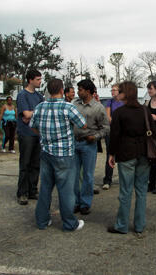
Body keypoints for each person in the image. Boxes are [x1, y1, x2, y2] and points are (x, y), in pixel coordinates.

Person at [30, 78, 87, 231]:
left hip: (46, 152)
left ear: (48, 90)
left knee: (45, 188)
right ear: (62, 90)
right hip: (64, 154)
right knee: (66, 191)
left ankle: (42, 221)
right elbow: (83, 124)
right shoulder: (68, 107)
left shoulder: (40, 107)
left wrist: (44, 135)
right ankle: (69, 223)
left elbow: (33, 126)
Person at [107, 81, 156, 234]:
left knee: (125, 191)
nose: (117, 94)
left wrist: (112, 154)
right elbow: (154, 133)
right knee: (142, 191)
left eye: (119, 92)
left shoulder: (119, 113)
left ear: (125, 94)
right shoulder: (145, 110)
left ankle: (122, 225)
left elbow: (114, 136)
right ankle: (140, 225)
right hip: (144, 154)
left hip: (126, 154)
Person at [73, 79, 109, 215]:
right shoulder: (74, 104)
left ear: (88, 91)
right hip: (74, 143)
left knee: (88, 175)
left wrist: (95, 137)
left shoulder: (98, 108)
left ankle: (85, 203)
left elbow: (106, 128)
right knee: (75, 175)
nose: (78, 92)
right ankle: (75, 202)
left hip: (89, 145)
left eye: (80, 89)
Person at [16, 70, 44, 205]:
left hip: (37, 134)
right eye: (38, 79)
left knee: (36, 164)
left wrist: (31, 114)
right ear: (30, 80)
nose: (40, 81)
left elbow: (42, 111)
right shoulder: (22, 95)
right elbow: (26, 114)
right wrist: (34, 113)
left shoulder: (39, 96)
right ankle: (22, 192)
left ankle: (33, 190)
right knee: (25, 164)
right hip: (26, 134)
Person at [102, 84, 124, 190]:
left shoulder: (125, 102)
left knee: (124, 156)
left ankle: (125, 180)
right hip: (111, 132)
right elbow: (108, 117)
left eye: (114, 90)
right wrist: (116, 126)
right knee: (110, 155)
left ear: (119, 91)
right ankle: (107, 180)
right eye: (112, 90)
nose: (112, 91)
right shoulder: (109, 102)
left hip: (123, 133)